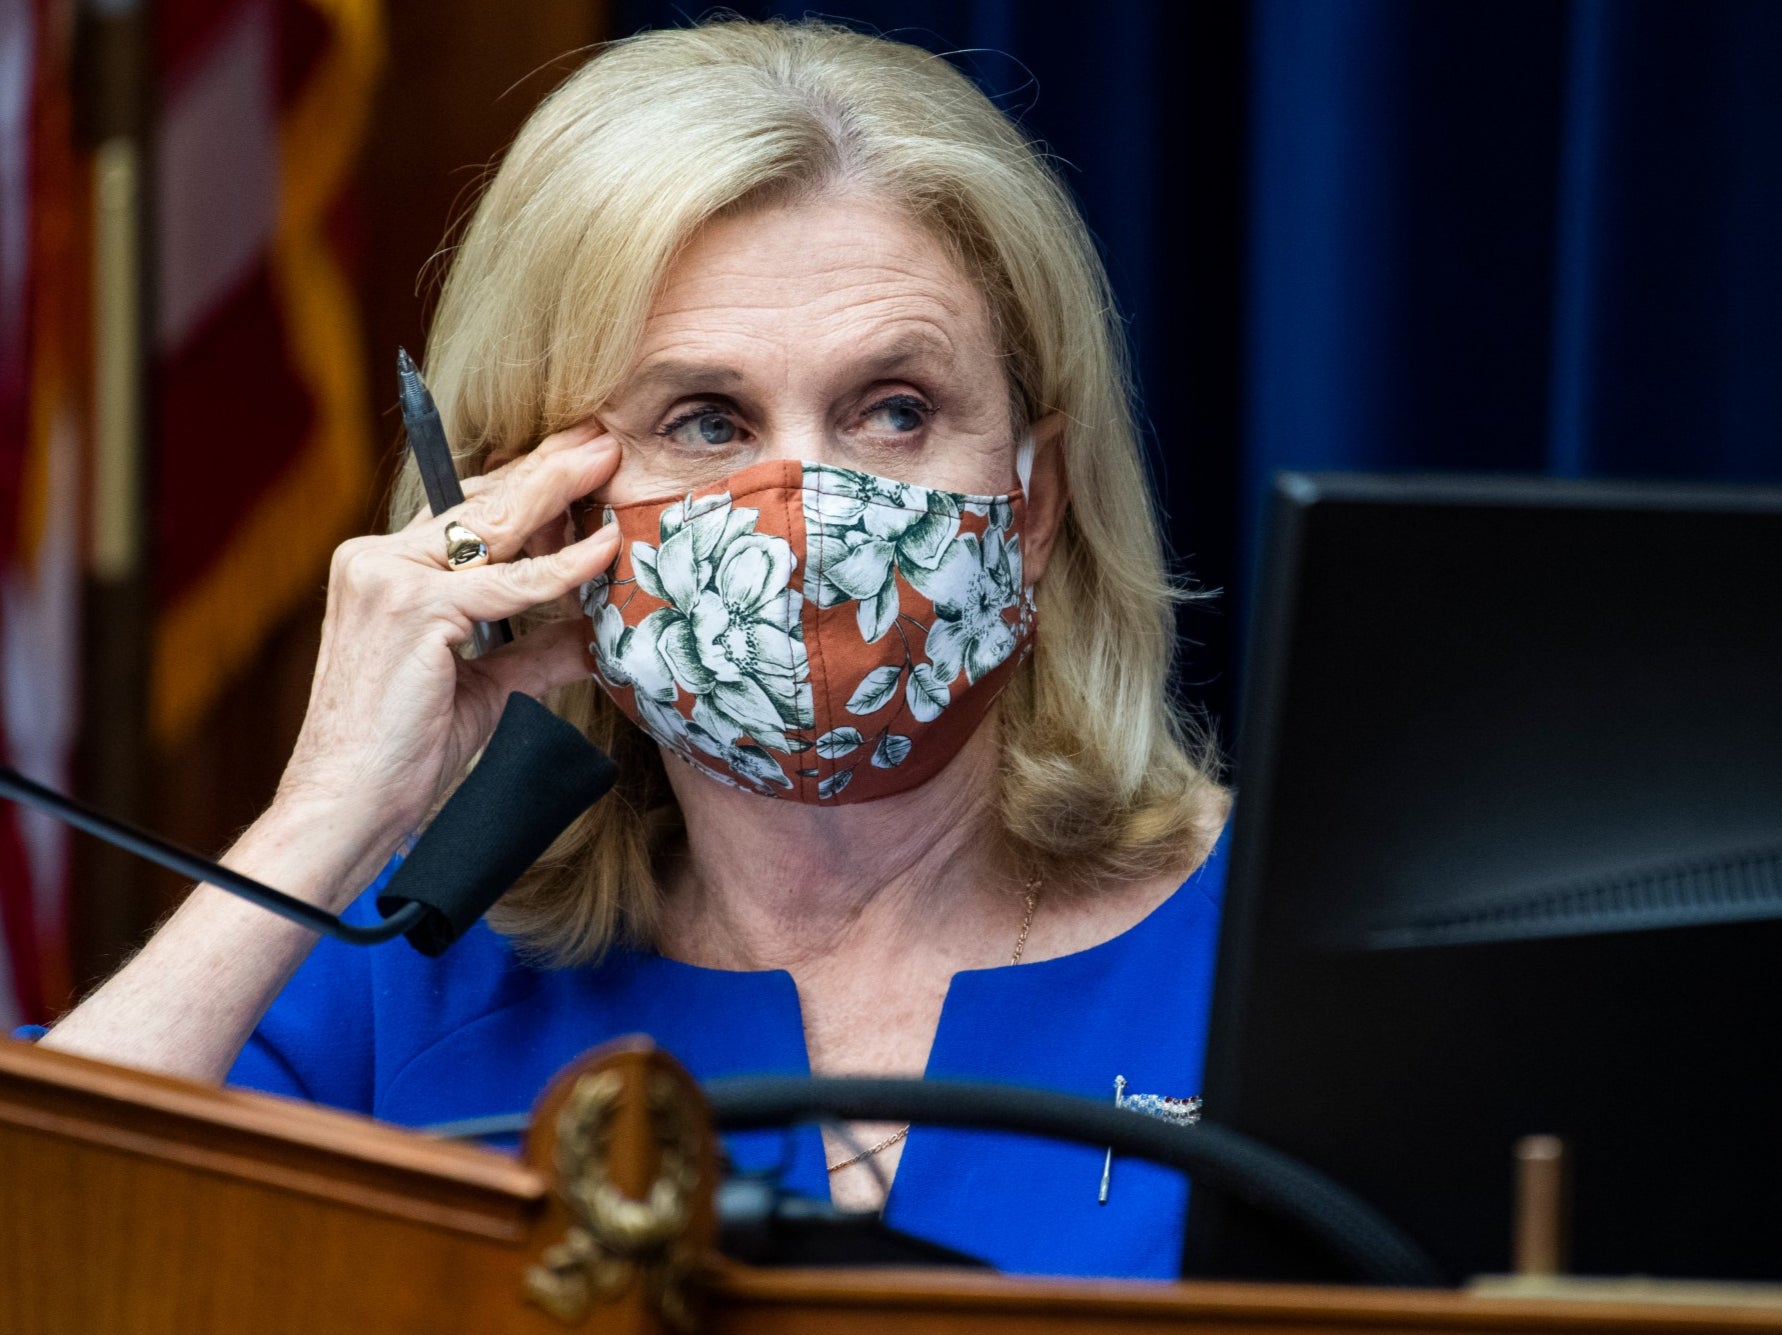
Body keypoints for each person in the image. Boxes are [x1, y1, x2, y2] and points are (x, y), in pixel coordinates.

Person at [36, 18, 1229, 1277]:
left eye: (895, 410)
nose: (808, 511)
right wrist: (324, 814)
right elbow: (40, 1245)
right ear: (532, 506)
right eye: (706, 420)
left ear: (1033, 507)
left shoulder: (1268, 959)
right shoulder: (409, 972)